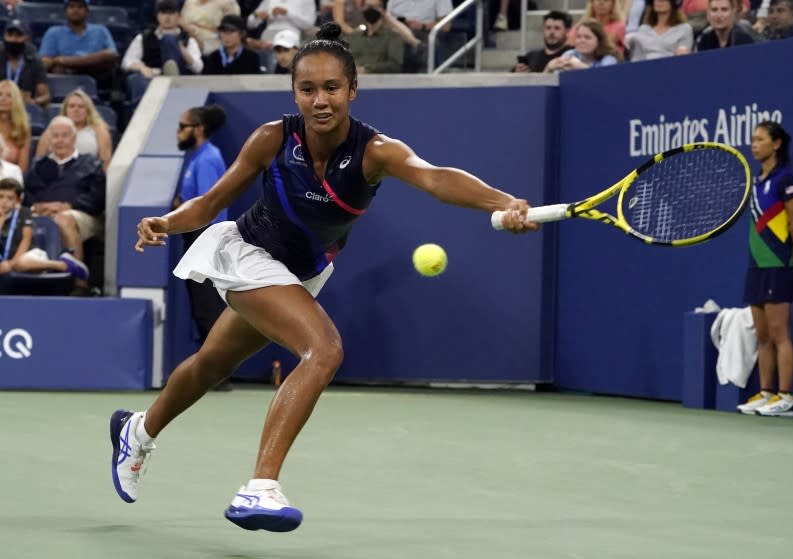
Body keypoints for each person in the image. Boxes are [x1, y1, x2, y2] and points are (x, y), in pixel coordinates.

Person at [111, 21, 538, 533]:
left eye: (332, 88)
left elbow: (436, 178)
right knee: (324, 349)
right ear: (294, 92)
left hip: (302, 273)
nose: (320, 100)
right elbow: (210, 202)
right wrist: (166, 222)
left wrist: (505, 203)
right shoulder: (272, 138)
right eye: (307, 89)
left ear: (352, 90)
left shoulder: (376, 151)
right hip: (247, 255)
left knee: (209, 366)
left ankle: (137, 430)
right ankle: (260, 487)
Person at [736, 121, 793, 417]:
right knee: (762, 335)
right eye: (752, 139)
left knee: (780, 334)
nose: (753, 144)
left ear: (776, 144)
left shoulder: (784, 179)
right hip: (756, 266)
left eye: (760, 139)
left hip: (780, 264)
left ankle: (786, 396)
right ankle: (766, 393)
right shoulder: (755, 180)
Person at [173, 104, 230, 384]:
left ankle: (217, 375)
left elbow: (207, 206)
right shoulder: (196, 158)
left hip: (206, 240)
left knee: (209, 308)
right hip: (197, 240)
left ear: (199, 129)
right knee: (202, 307)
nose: (178, 132)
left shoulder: (207, 159)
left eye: (183, 126)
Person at [24, 116, 105, 291]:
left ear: (74, 138)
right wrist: (36, 207)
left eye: (64, 135)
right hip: (42, 213)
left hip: (81, 215)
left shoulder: (91, 163)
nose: (59, 140)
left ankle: (78, 282)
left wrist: (68, 205)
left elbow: (97, 199)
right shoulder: (38, 166)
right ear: (49, 139)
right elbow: (27, 194)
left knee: (63, 219)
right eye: (55, 136)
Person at [0, 177, 90, 280]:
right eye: (1, 197)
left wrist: (12, 264)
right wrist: (1, 219)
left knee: (21, 263)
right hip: (6, 260)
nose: (4, 202)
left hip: (28, 255)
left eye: (10, 198)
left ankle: (62, 265)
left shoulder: (24, 212)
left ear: (18, 200)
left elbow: (26, 240)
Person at [38, 0, 119, 82]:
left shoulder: (101, 30)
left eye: (80, 7)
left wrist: (64, 61)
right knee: (57, 69)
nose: (75, 10)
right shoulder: (53, 32)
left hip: (97, 75)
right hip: (66, 77)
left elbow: (111, 54)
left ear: (87, 10)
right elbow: (45, 60)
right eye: (71, 6)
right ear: (65, 11)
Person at [122, 0, 204, 79]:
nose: (167, 17)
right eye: (163, 12)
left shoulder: (188, 39)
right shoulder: (144, 37)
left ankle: (171, 73)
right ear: (157, 15)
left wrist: (178, 45)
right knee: (135, 79)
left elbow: (198, 67)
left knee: (169, 38)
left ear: (178, 16)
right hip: (153, 76)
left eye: (171, 13)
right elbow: (127, 62)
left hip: (180, 78)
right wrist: (142, 68)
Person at [35, 89, 112, 170]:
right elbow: (39, 162)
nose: (76, 110)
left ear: (88, 111)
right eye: (72, 106)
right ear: (65, 110)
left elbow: (105, 163)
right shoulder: (51, 131)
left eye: (81, 106)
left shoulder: (99, 130)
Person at [0, 19, 50, 107]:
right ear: (4, 36)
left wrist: (33, 101)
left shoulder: (35, 61)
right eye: (10, 35)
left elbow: (45, 96)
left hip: (24, 108)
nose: (13, 39)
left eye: (18, 35)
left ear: (27, 38)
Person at [345, 0, 404, 74]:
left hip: (380, 82)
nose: (371, 9)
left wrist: (367, 69)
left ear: (383, 10)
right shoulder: (354, 37)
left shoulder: (392, 37)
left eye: (376, 6)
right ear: (362, 8)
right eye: (368, 6)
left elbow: (395, 65)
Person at [625, 0, 693, 61]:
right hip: (646, 70)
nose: (659, 1)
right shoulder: (643, 29)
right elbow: (636, 59)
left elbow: (683, 57)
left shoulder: (684, 29)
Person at [545, 19, 619, 71]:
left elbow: (604, 81)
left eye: (587, 37)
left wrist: (580, 67)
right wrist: (549, 67)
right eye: (579, 37)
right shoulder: (569, 54)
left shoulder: (609, 60)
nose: (582, 41)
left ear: (599, 41)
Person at [0, 79, 30, 173]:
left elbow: (22, 170)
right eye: (0, 94)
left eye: (9, 95)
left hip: (10, 183)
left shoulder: (23, 129)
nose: (3, 98)